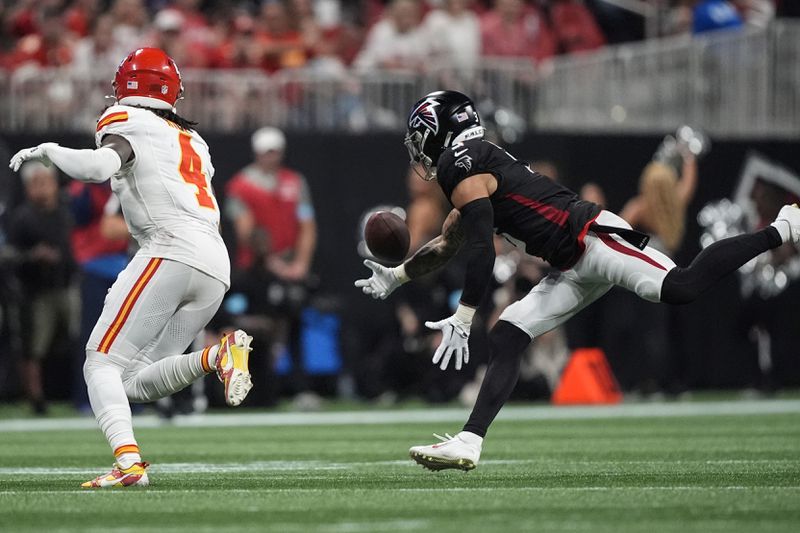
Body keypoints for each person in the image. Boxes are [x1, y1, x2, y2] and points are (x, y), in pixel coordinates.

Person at [354, 90, 800, 471]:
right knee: (508, 334)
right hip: (567, 263)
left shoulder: (460, 162)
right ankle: (470, 440)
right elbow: (449, 242)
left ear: (438, 130)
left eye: (419, 137)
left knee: (679, 287)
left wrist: (464, 313)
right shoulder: (472, 167)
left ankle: (780, 229)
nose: (418, 149)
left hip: (593, 239)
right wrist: (396, 275)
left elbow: (481, 248)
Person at [9, 48, 254, 488]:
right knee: (135, 381)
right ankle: (218, 354)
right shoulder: (193, 139)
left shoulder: (124, 119)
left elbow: (99, 167)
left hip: (170, 248)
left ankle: (128, 464)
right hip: (215, 263)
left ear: (126, 86)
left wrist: (49, 149)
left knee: (99, 363)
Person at [7, 162, 78, 415]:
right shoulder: (22, 217)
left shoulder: (66, 212)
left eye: (46, 181)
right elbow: (9, 253)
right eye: (37, 183)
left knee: (80, 339)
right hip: (37, 290)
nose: (44, 188)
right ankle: (36, 398)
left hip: (68, 285)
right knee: (34, 346)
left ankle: (81, 393)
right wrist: (33, 255)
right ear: (27, 188)